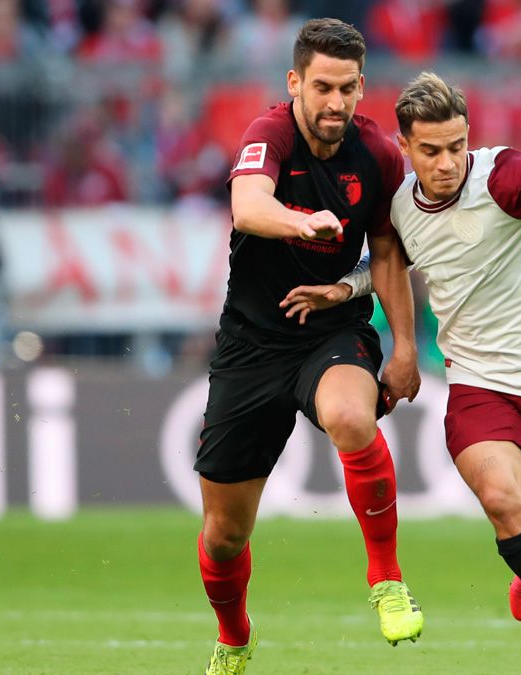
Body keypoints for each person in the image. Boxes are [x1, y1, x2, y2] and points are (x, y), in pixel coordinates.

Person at [281, 72, 521, 675]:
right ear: (406, 150)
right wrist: (341, 289)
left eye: (456, 146)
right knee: (501, 498)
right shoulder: (402, 209)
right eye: (430, 151)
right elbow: (387, 265)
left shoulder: (504, 180)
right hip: (480, 385)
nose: (446, 163)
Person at [194, 18, 424, 675]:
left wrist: (404, 347)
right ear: (295, 82)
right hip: (251, 344)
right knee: (225, 532)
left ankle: (386, 579)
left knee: (352, 418)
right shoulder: (268, 135)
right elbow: (246, 206)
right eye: (322, 86)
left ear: (361, 88)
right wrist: (303, 221)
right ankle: (234, 636)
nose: (335, 102)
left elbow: (386, 252)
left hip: (332, 330)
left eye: (348, 88)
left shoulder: (377, 155)